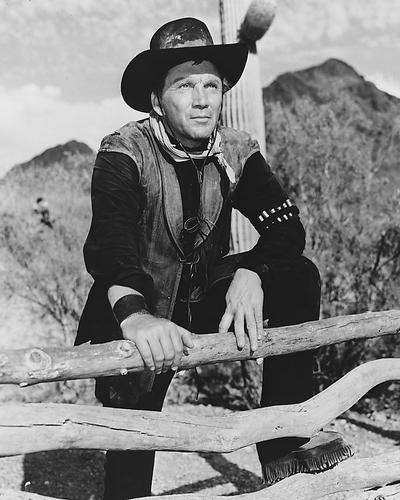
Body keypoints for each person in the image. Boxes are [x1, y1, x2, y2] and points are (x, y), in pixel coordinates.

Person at [76, 17, 352, 500]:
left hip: (203, 300)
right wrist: (138, 317)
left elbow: (287, 229)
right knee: (133, 451)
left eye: (211, 85)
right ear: (157, 99)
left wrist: (252, 270)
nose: (202, 99)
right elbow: (111, 247)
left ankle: (283, 439)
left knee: (298, 275)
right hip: (136, 309)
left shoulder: (236, 150)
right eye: (185, 86)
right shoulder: (124, 152)